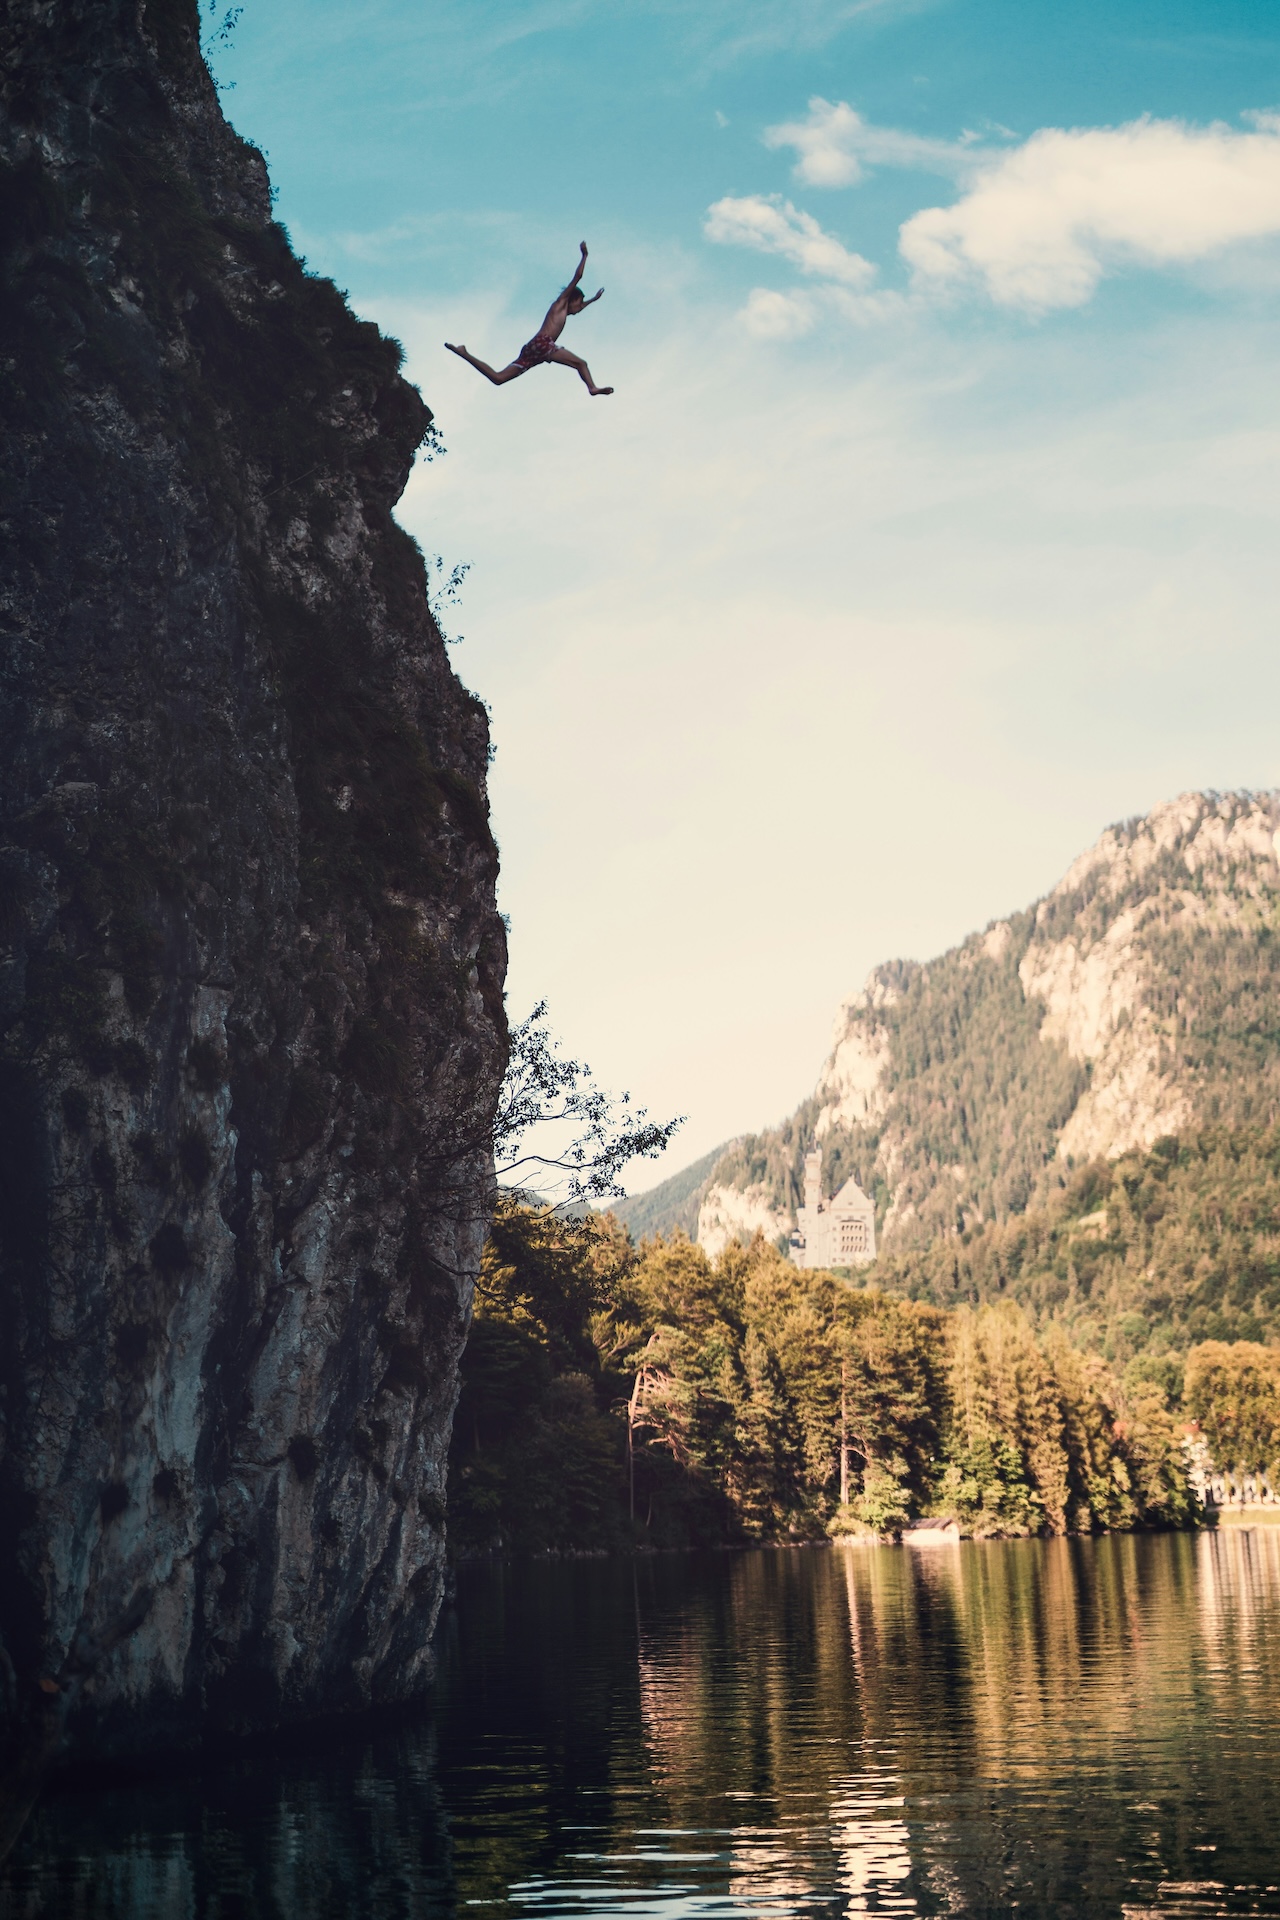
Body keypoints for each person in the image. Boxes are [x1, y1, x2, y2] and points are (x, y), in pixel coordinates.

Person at [445, 242, 613, 397]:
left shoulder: (563, 312)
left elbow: (578, 308)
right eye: (580, 302)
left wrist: (592, 300)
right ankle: (592, 388)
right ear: (572, 299)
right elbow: (577, 277)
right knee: (581, 364)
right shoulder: (560, 303)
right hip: (543, 344)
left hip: (532, 348)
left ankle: (464, 353)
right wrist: (584, 256)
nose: (580, 307)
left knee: (498, 378)